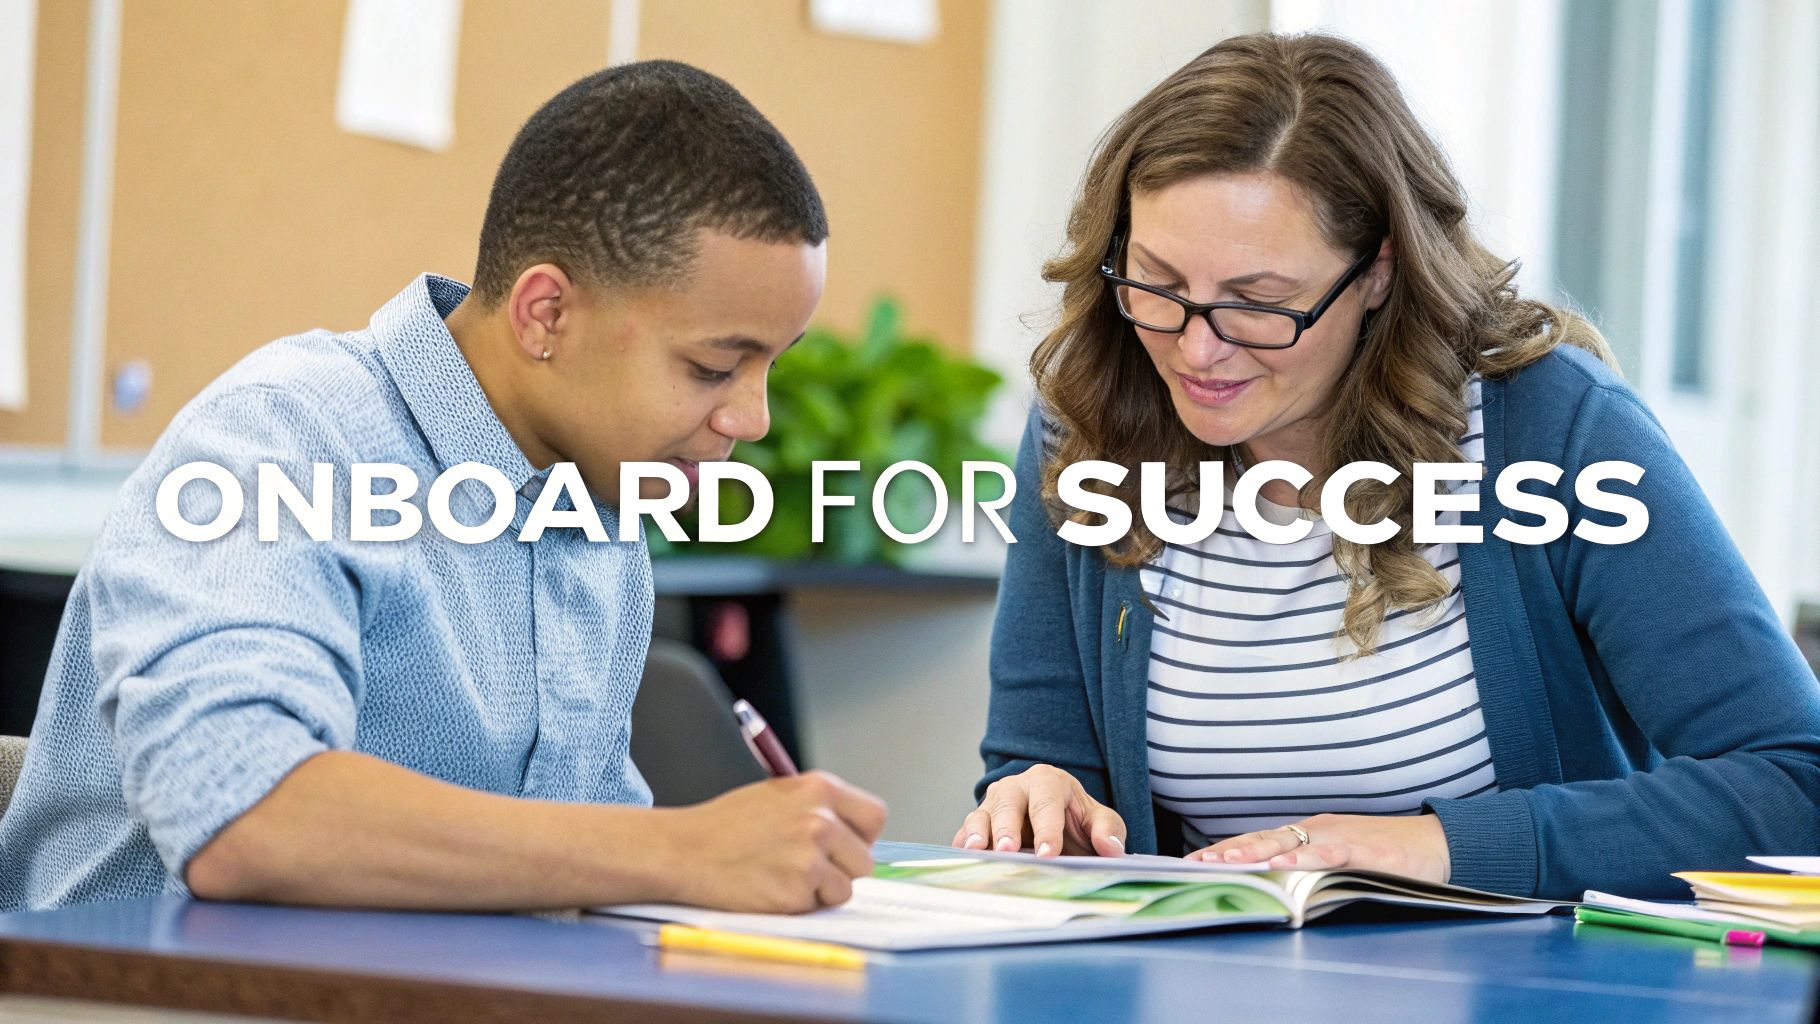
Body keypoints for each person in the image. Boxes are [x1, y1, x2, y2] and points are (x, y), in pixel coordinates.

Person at [0, 60, 886, 913]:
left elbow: (552, 874)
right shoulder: (283, 441)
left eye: (770, 365)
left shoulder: (594, 501)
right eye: (712, 366)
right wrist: (679, 852)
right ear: (547, 313)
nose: (753, 417)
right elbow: (245, 818)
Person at [953, 33, 1820, 900]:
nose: (1196, 348)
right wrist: (1038, 798)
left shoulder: (1551, 427)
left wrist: (1430, 848)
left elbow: (1794, 781)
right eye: (1156, 282)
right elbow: (1044, 765)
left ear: (1378, 272)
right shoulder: (1090, 430)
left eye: (1258, 303)